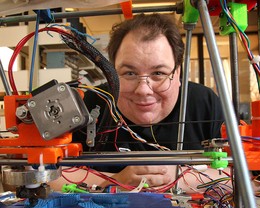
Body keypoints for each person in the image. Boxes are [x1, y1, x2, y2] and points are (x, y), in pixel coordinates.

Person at [51, 13, 225, 192]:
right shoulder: (94, 101)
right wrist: (117, 181)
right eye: (129, 73)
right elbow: (48, 175)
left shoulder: (203, 102)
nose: (143, 89)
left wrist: (176, 178)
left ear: (178, 73)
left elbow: (241, 175)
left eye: (158, 73)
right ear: (111, 73)